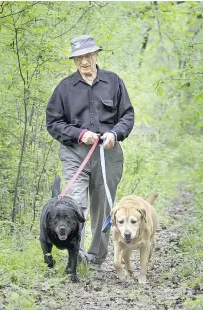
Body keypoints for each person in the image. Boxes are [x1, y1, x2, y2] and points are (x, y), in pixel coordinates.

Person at [46, 34, 134, 269]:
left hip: (108, 155)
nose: (84, 62)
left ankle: (95, 258)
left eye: (87, 55)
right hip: (75, 153)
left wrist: (115, 133)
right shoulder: (64, 88)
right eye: (78, 58)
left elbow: (127, 115)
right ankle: (77, 255)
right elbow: (53, 123)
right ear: (74, 60)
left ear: (96, 55)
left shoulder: (114, 82)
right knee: (75, 204)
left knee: (103, 207)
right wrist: (79, 134)